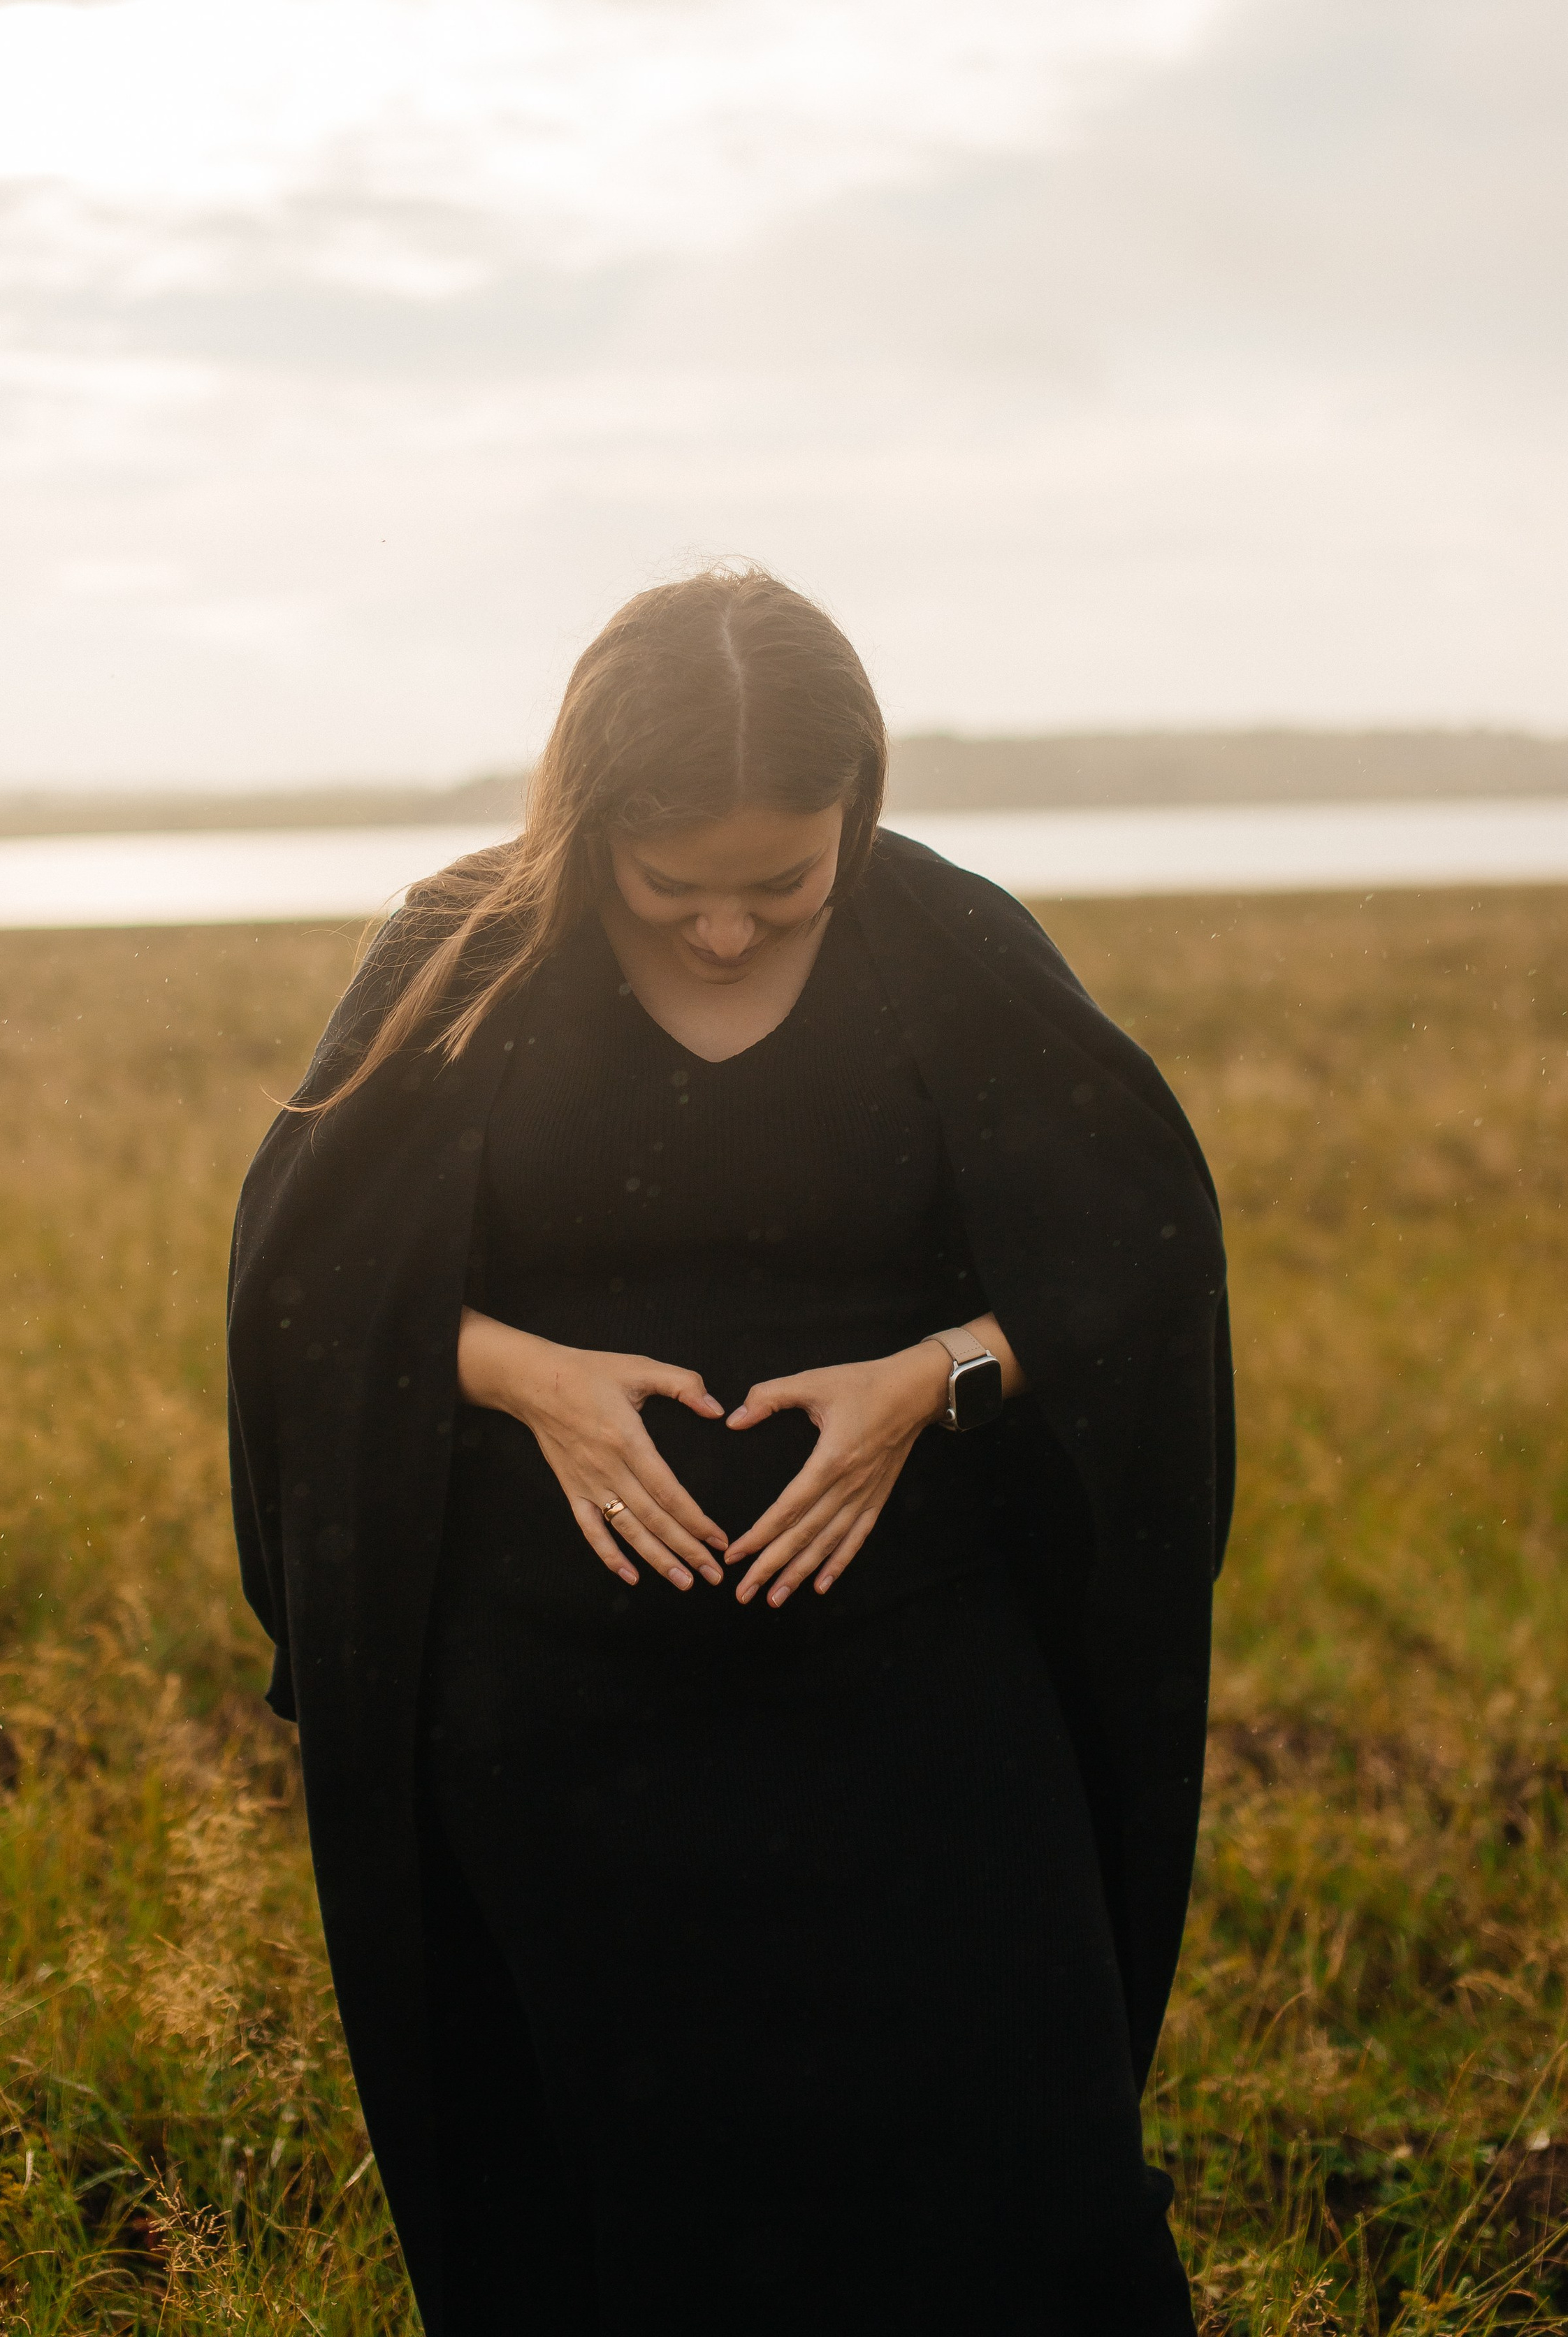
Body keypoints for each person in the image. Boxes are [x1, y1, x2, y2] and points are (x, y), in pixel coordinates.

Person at [228, 567, 1233, 2336]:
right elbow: (308, 1286)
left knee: (1025, 2156)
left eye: (782, 883)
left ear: (860, 804)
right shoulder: (467, 950)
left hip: (913, 1691)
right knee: (619, 2198)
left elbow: (1137, 1273)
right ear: (590, 815)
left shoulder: (949, 948)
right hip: (552, 1725)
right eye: (672, 885)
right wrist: (525, 1371)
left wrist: (931, 1378)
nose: (722, 930)